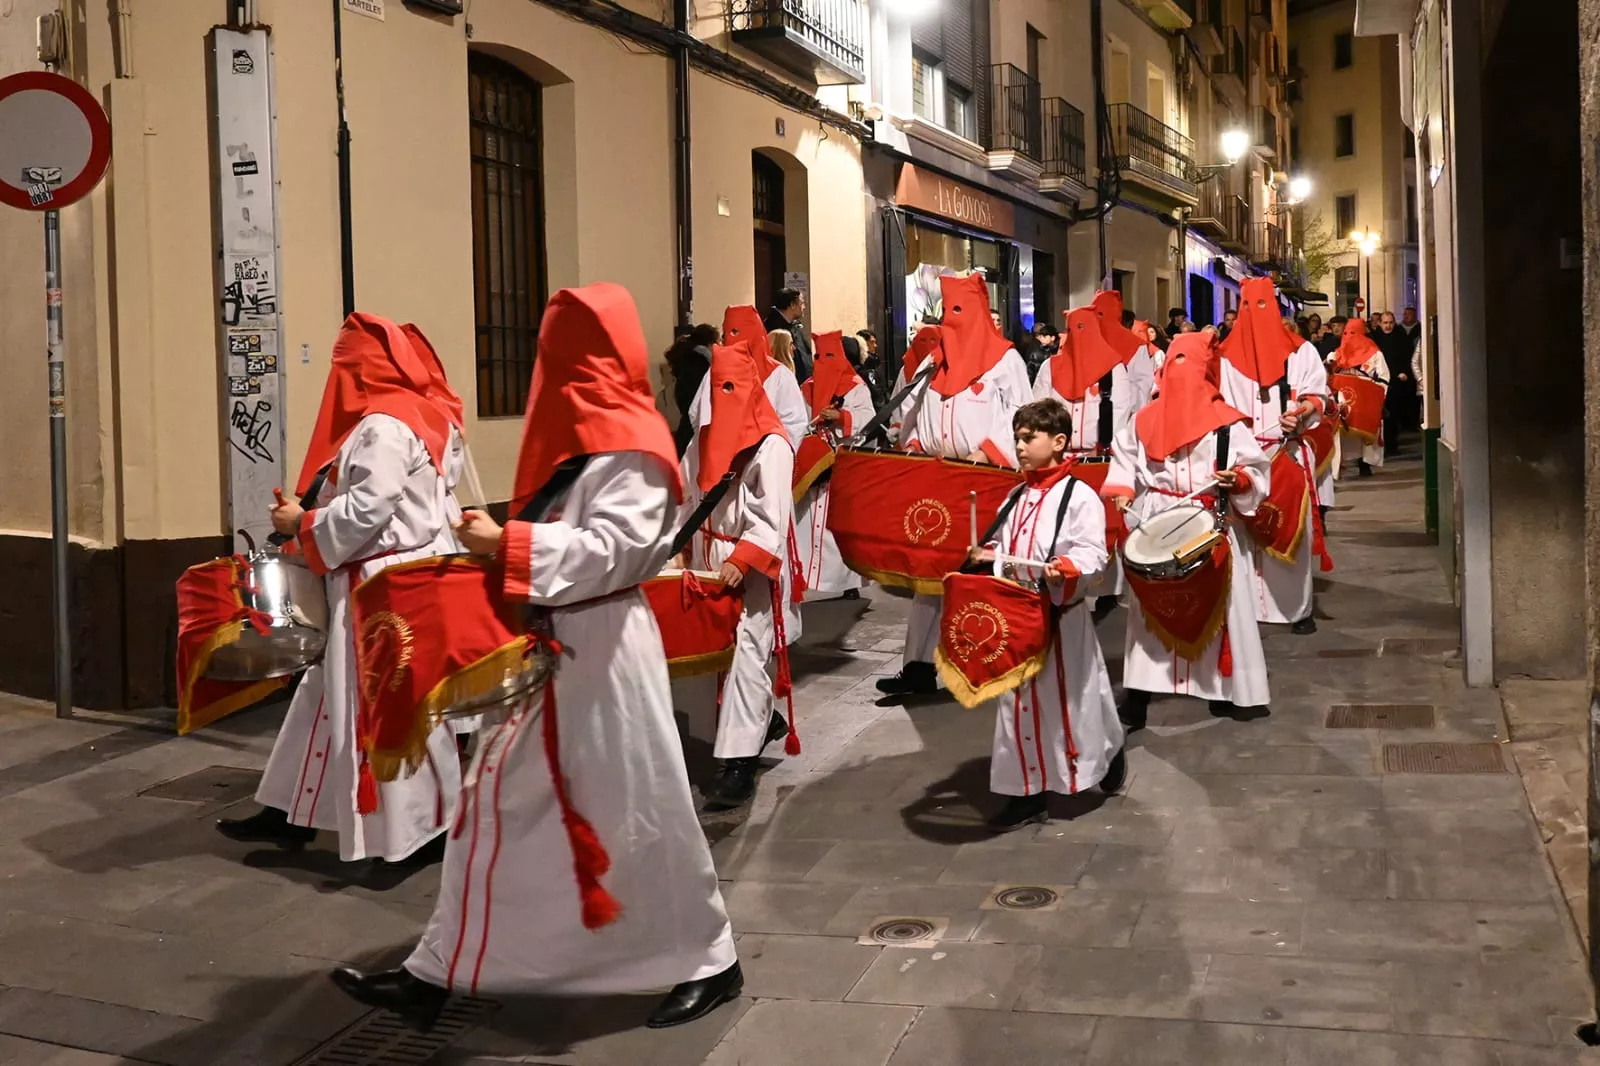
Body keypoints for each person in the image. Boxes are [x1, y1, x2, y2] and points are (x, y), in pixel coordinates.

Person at [329, 283, 742, 1032]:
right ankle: (439, 969)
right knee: (497, 801)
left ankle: (708, 958)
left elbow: (622, 551)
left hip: (605, 654)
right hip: (550, 649)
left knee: (637, 808)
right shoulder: (579, 446)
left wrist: (508, 543)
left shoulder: (636, 444)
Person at [218, 314, 465, 863]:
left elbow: (370, 509)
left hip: (377, 582)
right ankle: (290, 811)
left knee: (381, 705)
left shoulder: (383, 426)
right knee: (328, 696)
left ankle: (418, 831)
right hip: (401, 575)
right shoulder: (426, 415)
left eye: (346, 369)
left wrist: (302, 524)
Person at [1105, 333, 1273, 730]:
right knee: (1150, 613)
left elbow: (1255, 469)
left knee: (1219, 607)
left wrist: (1239, 480)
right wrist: (1122, 491)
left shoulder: (1228, 423)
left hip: (1207, 519)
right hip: (1157, 519)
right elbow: (1123, 460)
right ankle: (1139, 695)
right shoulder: (1143, 420)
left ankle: (1224, 689)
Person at [975, 398, 1126, 831]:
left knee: (1075, 700)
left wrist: (1069, 567)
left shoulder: (1079, 497)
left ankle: (1106, 749)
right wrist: (989, 557)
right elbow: (1005, 549)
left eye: (1029, 438)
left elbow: (1093, 552)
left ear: (1059, 442)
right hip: (1017, 617)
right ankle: (1026, 792)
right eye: (1017, 439)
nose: (1020, 447)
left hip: (1061, 616)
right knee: (1016, 703)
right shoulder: (1015, 496)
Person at [879, 275, 1032, 697]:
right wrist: (912, 443)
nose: (953, 320)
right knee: (928, 575)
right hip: (937, 478)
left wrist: (988, 451)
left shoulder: (1006, 361)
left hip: (986, 479)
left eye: (960, 311)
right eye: (948, 312)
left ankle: (987, 662)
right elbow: (910, 411)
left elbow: (1023, 415)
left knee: (983, 574)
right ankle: (917, 667)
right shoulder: (932, 362)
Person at [679, 340, 803, 809]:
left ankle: (739, 762)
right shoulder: (701, 440)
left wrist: (742, 559)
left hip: (745, 569)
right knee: (714, 654)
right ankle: (759, 722)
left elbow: (773, 516)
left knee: (747, 654)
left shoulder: (772, 445)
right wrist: (681, 548)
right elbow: (685, 497)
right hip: (706, 559)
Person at [1218, 276, 1330, 635]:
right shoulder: (1224, 358)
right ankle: (1247, 609)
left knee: (1291, 530)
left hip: (1287, 452)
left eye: (1263, 306)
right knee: (1243, 536)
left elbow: (1318, 394)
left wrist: (1301, 411)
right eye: (1248, 307)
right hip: (1243, 458)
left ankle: (1297, 609)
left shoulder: (1302, 352)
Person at [795, 331, 875, 599]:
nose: (823, 361)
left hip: (842, 463)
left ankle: (847, 581)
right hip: (813, 466)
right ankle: (806, 574)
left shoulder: (856, 387)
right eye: (818, 356)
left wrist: (841, 417)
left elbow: (868, 420)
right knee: (808, 522)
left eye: (829, 355)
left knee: (839, 524)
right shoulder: (807, 386)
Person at [690, 305, 808, 448]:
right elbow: (698, 415)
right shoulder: (714, 373)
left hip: (765, 454)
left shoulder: (779, 375)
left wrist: (772, 452)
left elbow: (794, 421)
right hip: (724, 452)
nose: (732, 339)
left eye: (736, 332)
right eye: (727, 334)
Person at [1329, 318, 1389, 479]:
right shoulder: (1337, 353)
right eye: (1346, 333)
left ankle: (1365, 464)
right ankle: (1338, 465)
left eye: (1353, 333)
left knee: (1366, 432)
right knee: (1341, 432)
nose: (1349, 337)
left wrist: (1377, 396)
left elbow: (1384, 377)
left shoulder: (1375, 354)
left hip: (1365, 398)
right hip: (1344, 398)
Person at [666, 325, 718, 456]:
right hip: (695, 431)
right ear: (710, 344)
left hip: (685, 430)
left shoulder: (688, 361)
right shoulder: (701, 365)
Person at [1374, 311, 1416, 451]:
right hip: (1379, 382)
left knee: (1393, 414)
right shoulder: (1375, 339)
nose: (1388, 326)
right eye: (1385, 323)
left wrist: (1403, 372)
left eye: (1391, 322)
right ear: (1380, 323)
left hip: (1396, 382)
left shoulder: (1401, 337)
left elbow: (1408, 357)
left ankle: (1392, 443)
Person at [764, 288, 813, 382]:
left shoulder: (795, 325)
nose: (804, 307)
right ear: (792, 305)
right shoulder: (773, 327)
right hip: (785, 381)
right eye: (802, 303)